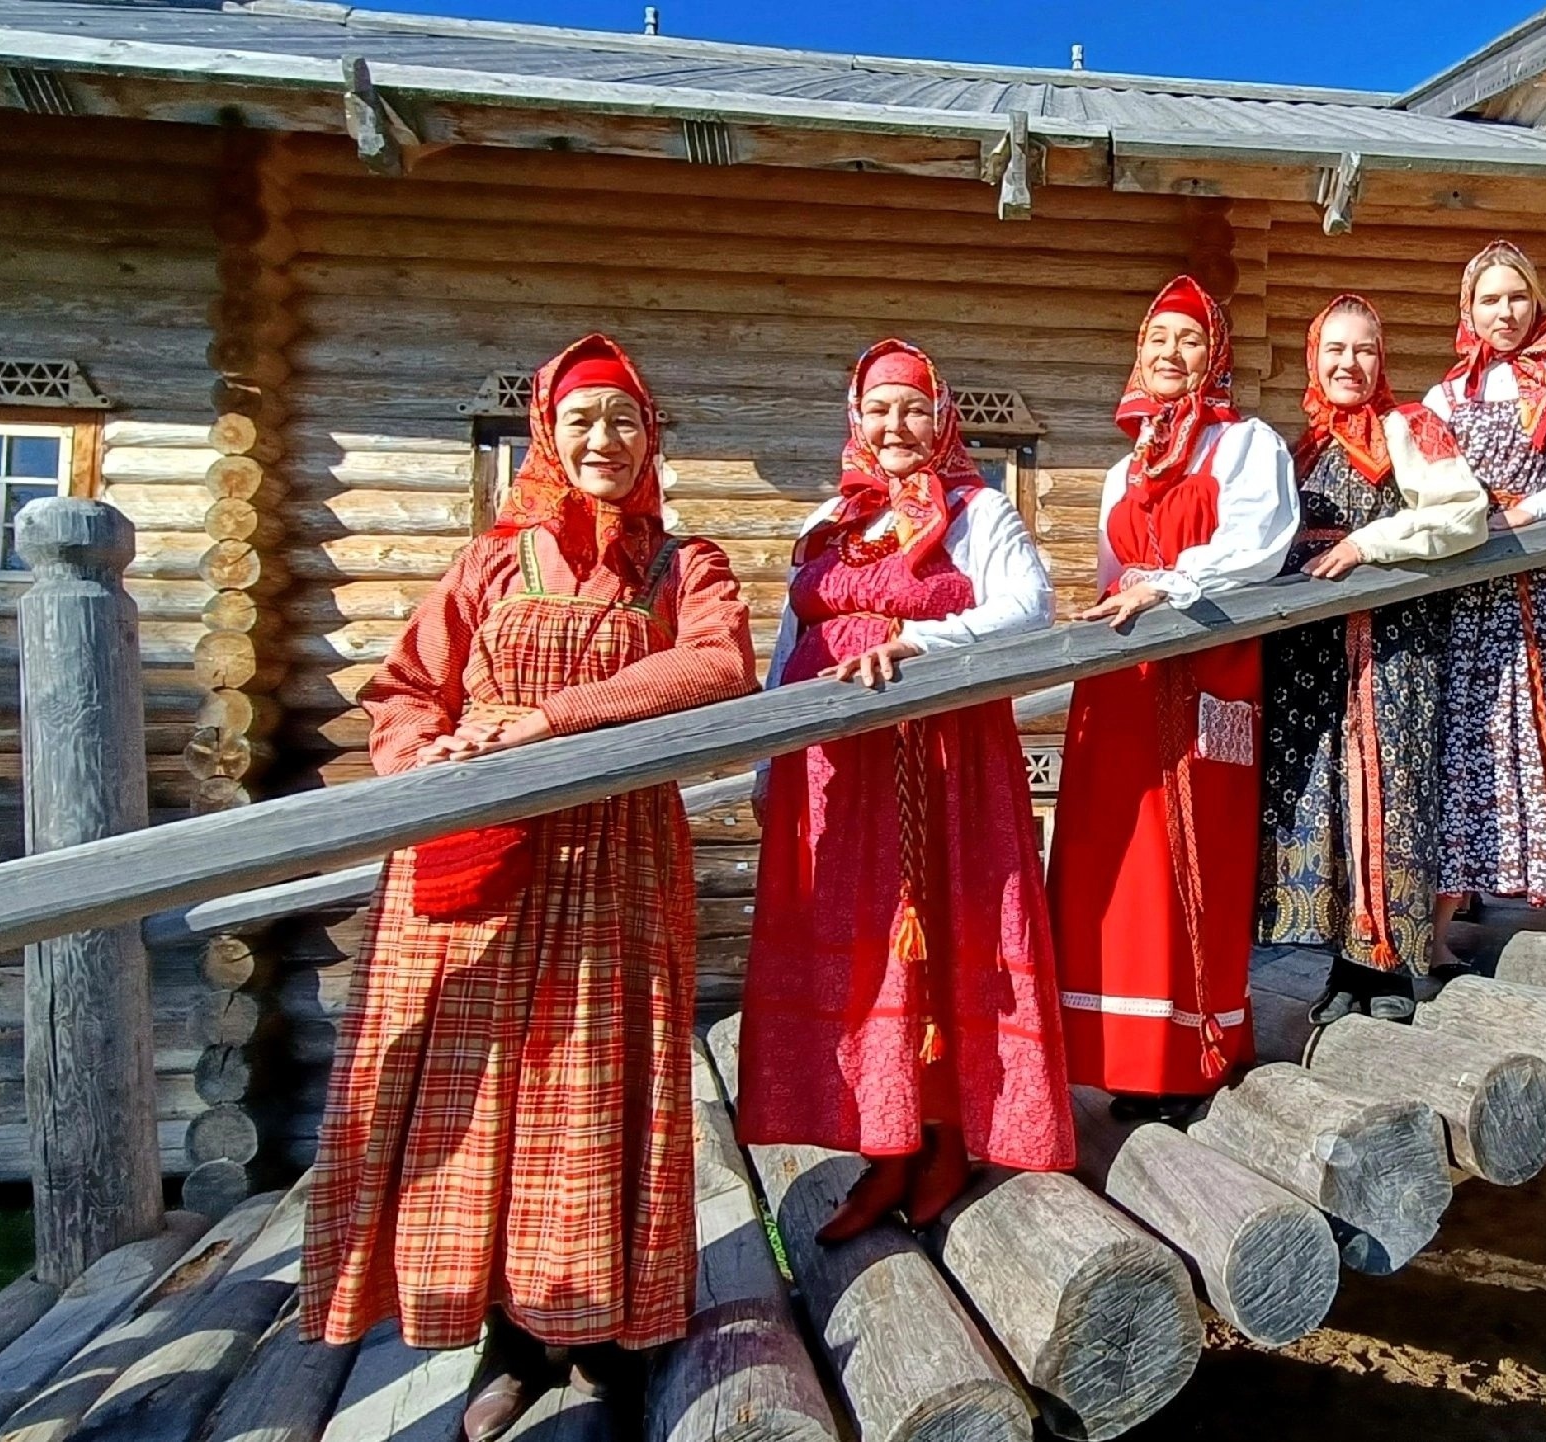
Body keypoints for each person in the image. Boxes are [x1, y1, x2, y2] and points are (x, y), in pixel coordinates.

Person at [299, 335, 758, 1441]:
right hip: (482, 864)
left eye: (626, 423)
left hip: (612, 855)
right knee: (490, 1094)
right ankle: (507, 1336)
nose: (604, 441)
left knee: (593, 1085)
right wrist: (431, 763)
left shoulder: (682, 564)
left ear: (652, 443)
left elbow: (716, 665)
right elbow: (403, 690)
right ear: (546, 435)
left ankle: (605, 1342)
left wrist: (552, 719)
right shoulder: (489, 563)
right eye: (582, 421)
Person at [736, 339, 1074, 1242]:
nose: (895, 425)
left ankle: (947, 1141)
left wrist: (919, 646)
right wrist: (770, 765)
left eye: (913, 408)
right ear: (856, 419)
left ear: (942, 417)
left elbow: (1025, 608)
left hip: (941, 767)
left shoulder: (977, 509)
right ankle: (882, 1148)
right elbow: (784, 653)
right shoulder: (826, 522)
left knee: (938, 933)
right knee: (861, 947)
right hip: (834, 779)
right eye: (879, 409)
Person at [1049, 276, 1296, 1118]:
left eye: (1189, 340)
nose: (1170, 354)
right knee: (1114, 868)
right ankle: (1125, 1056)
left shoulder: (1245, 444)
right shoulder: (1124, 465)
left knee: (1198, 854)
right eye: (1158, 339)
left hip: (1206, 667)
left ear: (1214, 356)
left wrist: (1172, 585)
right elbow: (1111, 572)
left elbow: (1258, 544)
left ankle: (1193, 1052)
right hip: (1123, 684)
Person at [1260, 295, 1488, 1025]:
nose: (1347, 364)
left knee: (1388, 790)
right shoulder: (1305, 447)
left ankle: (1389, 970)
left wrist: (1367, 544)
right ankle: (1344, 967)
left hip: (1391, 639)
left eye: (1362, 350)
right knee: (1327, 799)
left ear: (1380, 358)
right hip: (1312, 652)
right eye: (1334, 350)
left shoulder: (1409, 427)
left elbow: (1463, 511)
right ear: (1314, 358)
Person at [1424, 241, 1546, 950]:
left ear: (1536, 300)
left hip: (1533, 575)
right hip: (1466, 586)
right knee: (1464, 740)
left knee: (1540, 723)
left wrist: (1524, 512)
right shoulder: (1448, 395)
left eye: (1515, 296)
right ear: (1467, 310)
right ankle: (1445, 921)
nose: (1503, 312)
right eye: (1488, 299)